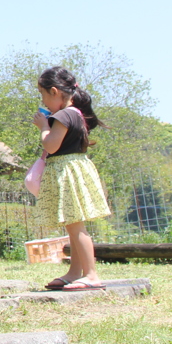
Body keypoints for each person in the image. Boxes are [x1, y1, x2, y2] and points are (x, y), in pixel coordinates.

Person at [32, 66, 111, 292]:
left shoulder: (63, 115)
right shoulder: (76, 113)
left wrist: (43, 126)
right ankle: (75, 272)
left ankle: (92, 274)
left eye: (44, 95)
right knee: (74, 225)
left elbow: (51, 145)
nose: (44, 101)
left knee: (76, 227)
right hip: (74, 168)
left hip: (66, 171)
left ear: (55, 91)